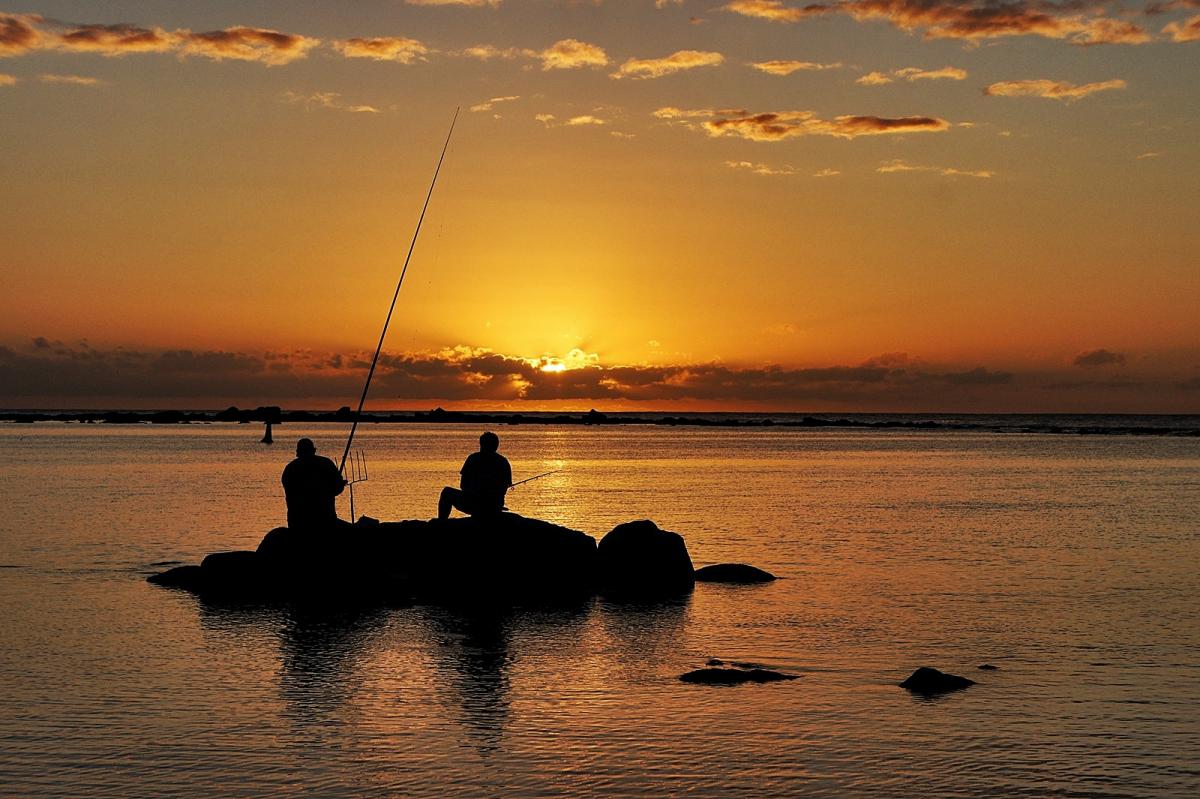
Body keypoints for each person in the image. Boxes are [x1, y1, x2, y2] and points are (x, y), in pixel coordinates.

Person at [438, 431, 512, 520]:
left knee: (447, 492)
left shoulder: (473, 458)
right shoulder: (503, 461)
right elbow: (505, 487)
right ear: (496, 445)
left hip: (474, 504)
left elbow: (463, 485)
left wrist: (475, 494)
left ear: (481, 444)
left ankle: (442, 521)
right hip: (495, 505)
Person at [281, 438, 346, 530]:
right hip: (325, 519)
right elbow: (336, 489)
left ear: (298, 452)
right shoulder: (326, 463)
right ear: (313, 450)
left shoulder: (290, 468)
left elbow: (289, 492)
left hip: (297, 521)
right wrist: (340, 484)